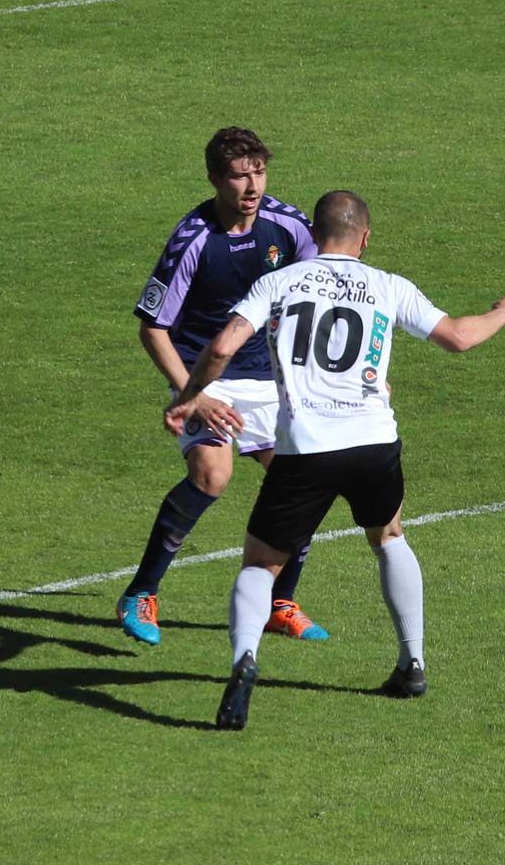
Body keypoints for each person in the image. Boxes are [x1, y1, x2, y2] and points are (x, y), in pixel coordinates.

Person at [165, 190, 505, 730]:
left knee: (261, 563)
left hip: (306, 448)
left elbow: (220, 348)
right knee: (389, 537)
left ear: (314, 232)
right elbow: (457, 338)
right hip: (374, 443)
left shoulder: (278, 281)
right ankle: (413, 662)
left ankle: (243, 660)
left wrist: (188, 395)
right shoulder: (387, 286)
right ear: (365, 236)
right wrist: (502, 313)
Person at [121, 127, 328, 646]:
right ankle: (140, 593)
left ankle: (282, 604)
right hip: (204, 374)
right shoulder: (192, 240)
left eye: (259, 172)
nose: (252, 186)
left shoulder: (289, 224)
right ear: (215, 179)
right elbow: (153, 327)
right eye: (239, 176)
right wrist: (194, 396)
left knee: (301, 483)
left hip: (271, 376)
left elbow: (324, 292)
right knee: (213, 475)